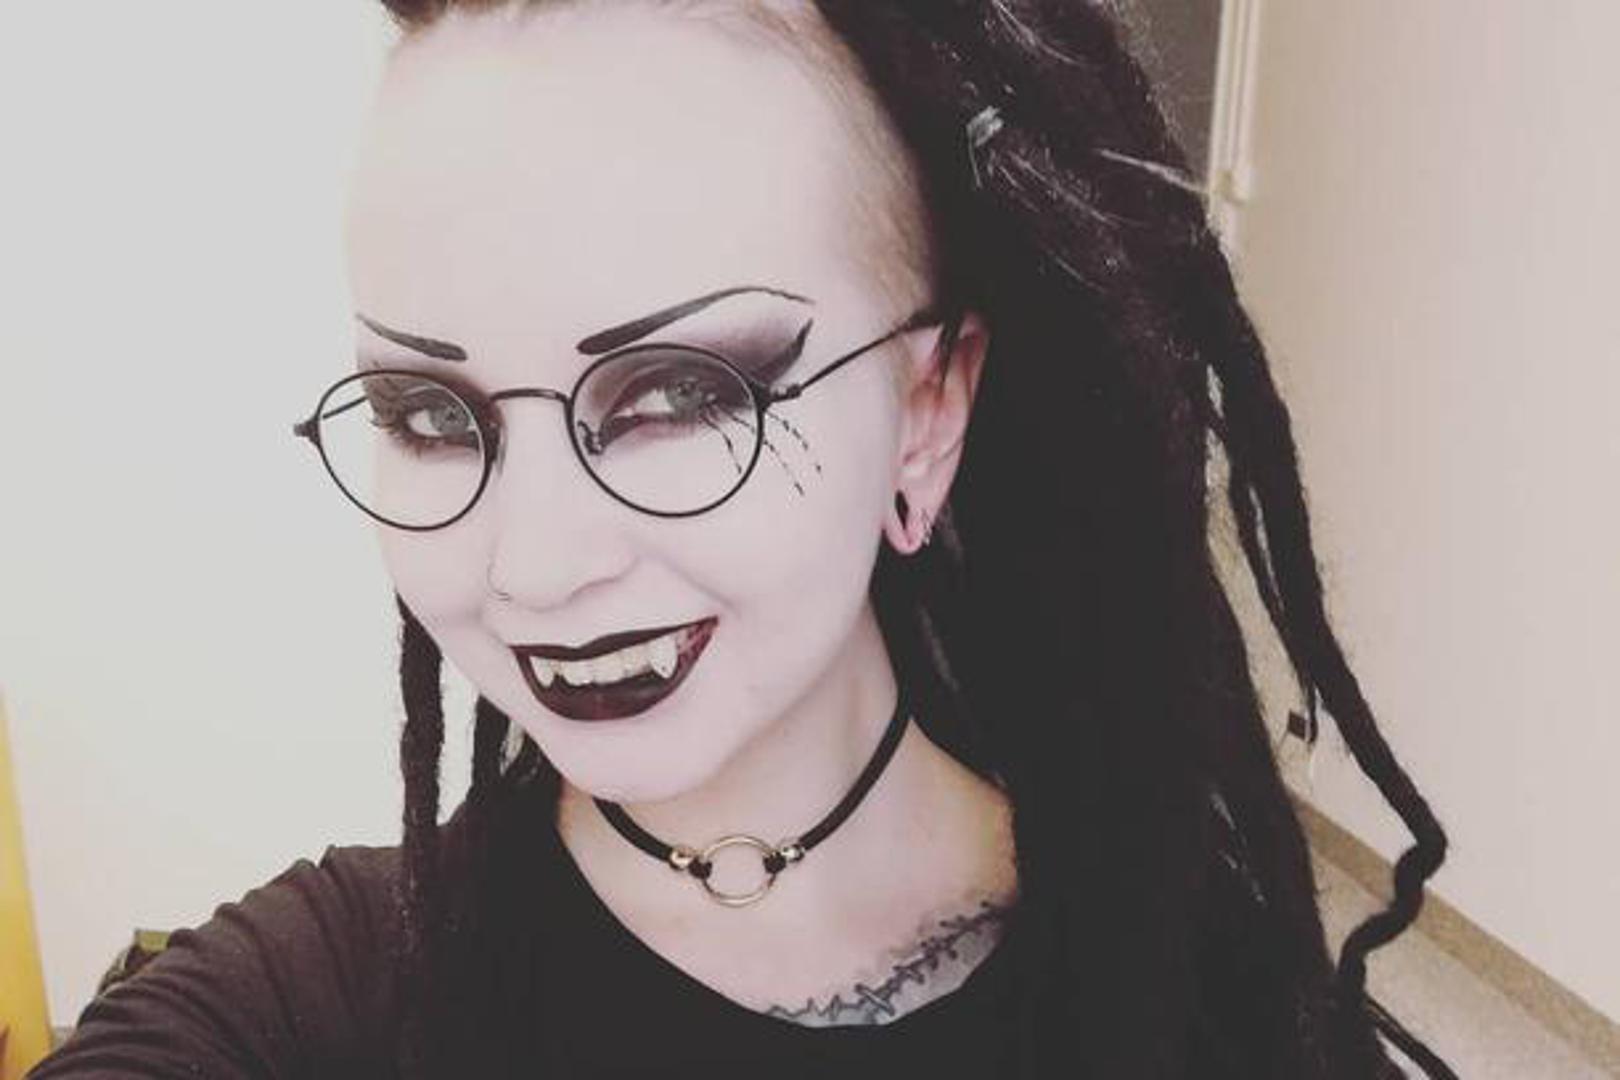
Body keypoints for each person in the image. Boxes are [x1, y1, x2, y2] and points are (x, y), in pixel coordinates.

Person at [30, 2, 1455, 1077]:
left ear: (928, 410)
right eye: (432, 415)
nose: (531, 566)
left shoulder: (1187, 979)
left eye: (675, 396)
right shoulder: (327, 997)